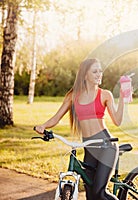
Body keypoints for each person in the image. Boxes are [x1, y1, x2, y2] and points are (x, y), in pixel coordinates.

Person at [34, 58, 124, 200]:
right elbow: (56, 117)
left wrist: (123, 98)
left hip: (107, 145)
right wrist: (43, 126)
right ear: (84, 75)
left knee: (99, 193)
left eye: (100, 71)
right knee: (90, 194)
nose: (99, 74)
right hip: (89, 146)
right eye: (95, 71)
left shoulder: (105, 94)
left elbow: (117, 121)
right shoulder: (73, 96)